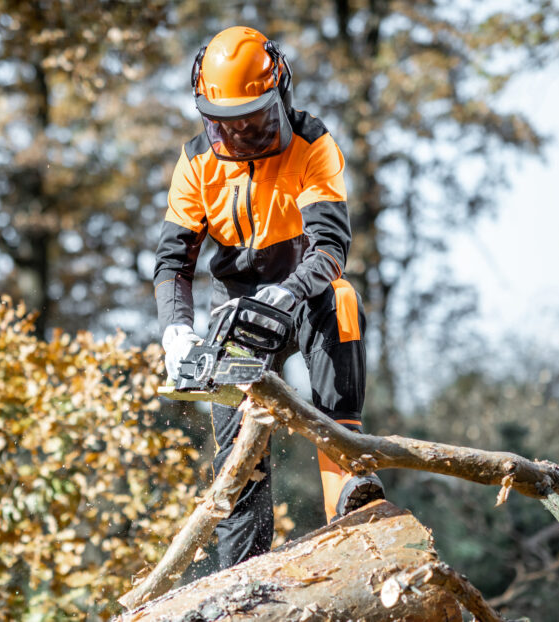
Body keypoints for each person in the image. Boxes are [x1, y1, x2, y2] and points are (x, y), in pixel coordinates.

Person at [153, 26, 385, 570]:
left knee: (341, 302)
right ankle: (243, 578)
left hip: (303, 291)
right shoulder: (195, 163)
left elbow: (330, 248)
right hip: (234, 307)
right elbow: (172, 262)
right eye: (225, 123)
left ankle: (348, 480)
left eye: (253, 120)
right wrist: (175, 329)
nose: (239, 135)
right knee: (240, 458)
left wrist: (288, 290)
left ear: (278, 94)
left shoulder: (311, 144)